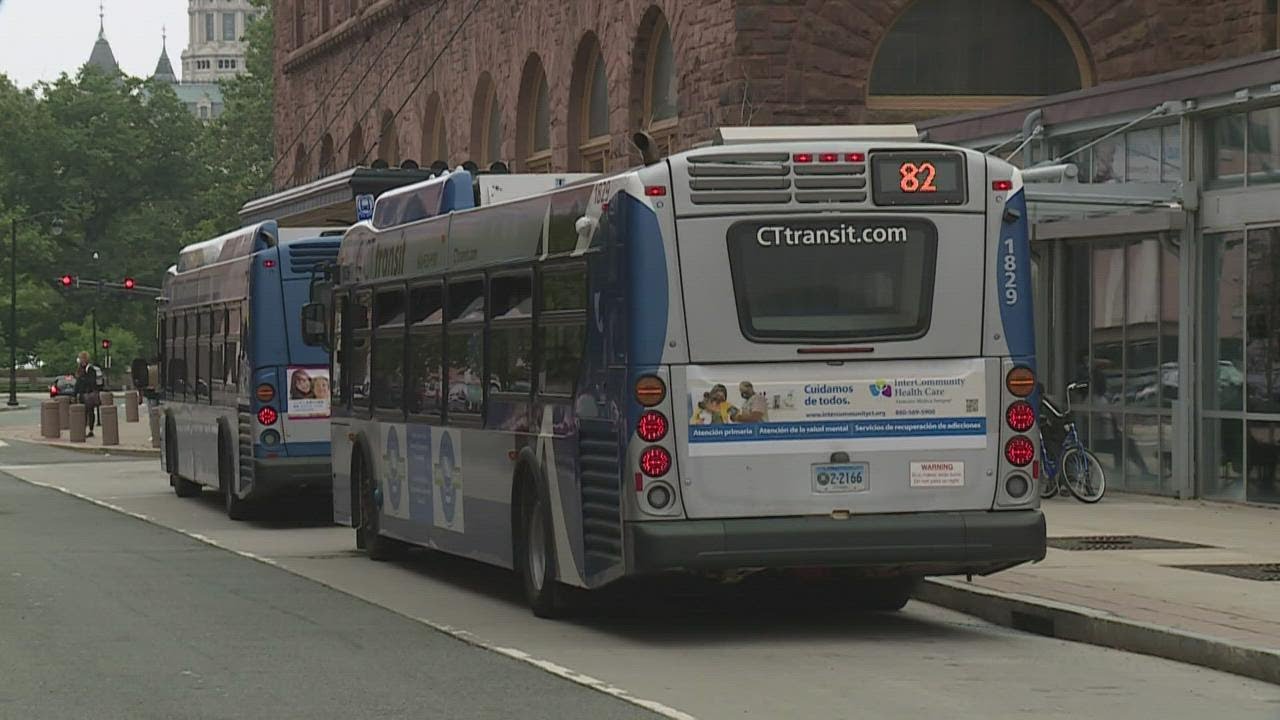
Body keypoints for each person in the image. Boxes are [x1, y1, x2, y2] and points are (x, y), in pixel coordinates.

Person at [74, 351, 102, 437]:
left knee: (90, 412)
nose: (80, 361)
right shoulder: (80, 369)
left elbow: (92, 381)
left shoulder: (90, 369)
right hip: (82, 394)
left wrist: (83, 378)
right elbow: (77, 383)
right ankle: (83, 429)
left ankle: (90, 429)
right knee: (83, 412)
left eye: (81, 358)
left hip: (89, 393)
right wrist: (75, 393)